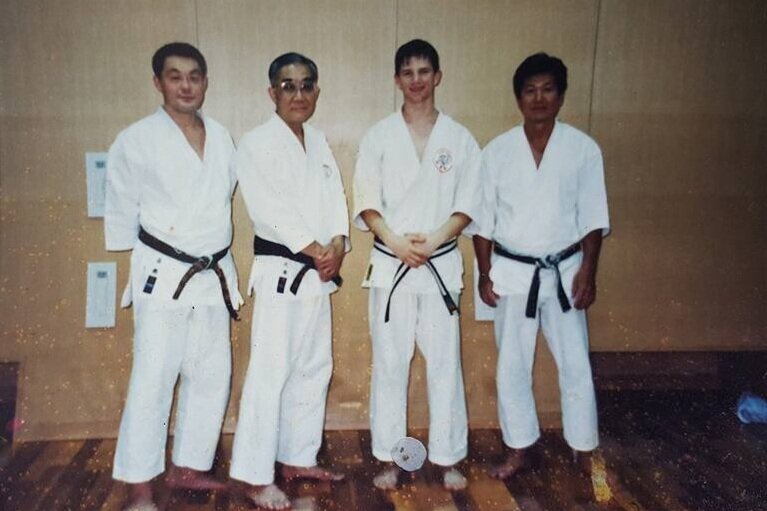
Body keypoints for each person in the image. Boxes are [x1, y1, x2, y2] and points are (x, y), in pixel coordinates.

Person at [104, 42, 241, 511]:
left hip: (213, 273)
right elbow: (122, 214)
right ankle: (140, 484)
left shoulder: (221, 136)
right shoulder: (135, 139)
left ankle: (190, 467)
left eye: (195, 76)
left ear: (205, 81)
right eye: (175, 76)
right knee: (153, 378)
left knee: (211, 374)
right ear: (158, 82)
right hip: (163, 273)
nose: (186, 85)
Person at [471, 52, 610, 479]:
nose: (538, 98)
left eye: (547, 89)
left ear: (561, 95)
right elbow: (482, 220)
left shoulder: (583, 149)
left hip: (566, 270)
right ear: (518, 98)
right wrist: (484, 271)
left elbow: (592, 217)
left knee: (575, 363)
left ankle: (584, 449)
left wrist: (588, 271)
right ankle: (518, 447)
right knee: (512, 364)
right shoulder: (497, 152)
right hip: (512, 272)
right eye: (530, 90)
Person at [353, 39, 481, 491]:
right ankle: (392, 457)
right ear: (396, 80)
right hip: (392, 265)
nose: (416, 81)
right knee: (391, 364)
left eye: (424, 71)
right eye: (407, 73)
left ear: (438, 76)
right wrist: (396, 242)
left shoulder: (459, 138)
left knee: (445, 363)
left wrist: (433, 241)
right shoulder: (379, 135)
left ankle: (447, 457)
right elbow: (367, 203)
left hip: (440, 264)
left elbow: (468, 205)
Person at [229, 52, 349, 510]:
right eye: (288, 85)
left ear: (316, 91)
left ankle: (298, 457)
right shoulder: (256, 143)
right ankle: (256, 476)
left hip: (319, 274)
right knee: (270, 372)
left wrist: (337, 246)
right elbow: (268, 209)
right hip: (283, 270)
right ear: (272, 93)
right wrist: (316, 250)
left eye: (306, 85)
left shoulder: (316, 140)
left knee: (313, 367)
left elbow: (336, 199)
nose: (298, 94)